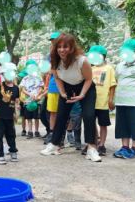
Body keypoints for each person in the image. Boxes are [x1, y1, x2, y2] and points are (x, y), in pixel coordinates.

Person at [40, 33, 101, 162]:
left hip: (86, 88)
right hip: (67, 87)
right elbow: (56, 77)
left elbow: (89, 79)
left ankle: (91, 148)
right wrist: (62, 93)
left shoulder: (82, 60)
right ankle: (54, 145)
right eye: (59, 47)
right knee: (61, 115)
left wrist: (82, 95)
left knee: (89, 115)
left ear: (72, 48)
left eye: (65, 47)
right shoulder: (54, 60)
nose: (62, 50)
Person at [87, 45, 116, 156]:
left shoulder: (109, 68)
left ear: (103, 56)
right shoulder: (91, 68)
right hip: (91, 102)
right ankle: (93, 143)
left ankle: (102, 144)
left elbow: (112, 85)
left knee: (103, 124)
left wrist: (111, 100)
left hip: (103, 102)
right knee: (91, 123)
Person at [0, 71, 20, 164]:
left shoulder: (16, 88)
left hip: (10, 117)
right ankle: (0, 155)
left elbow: (17, 101)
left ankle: (13, 152)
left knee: (11, 135)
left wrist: (17, 111)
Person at [19, 60, 44, 139]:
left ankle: (36, 131)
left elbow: (41, 88)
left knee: (36, 117)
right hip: (28, 101)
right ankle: (30, 131)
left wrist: (37, 95)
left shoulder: (38, 77)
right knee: (29, 117)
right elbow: (22, 89)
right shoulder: (25, 78)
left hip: (37, 100)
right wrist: (29, 94)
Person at [17, 70, 28, 136]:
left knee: (29, 117)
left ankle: (31, 130)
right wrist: (18, 103)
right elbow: (18, 95)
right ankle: (23, 130)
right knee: (23, 116)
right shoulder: (20, 85)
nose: (22, 78)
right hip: (22, 101)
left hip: (29, 101)